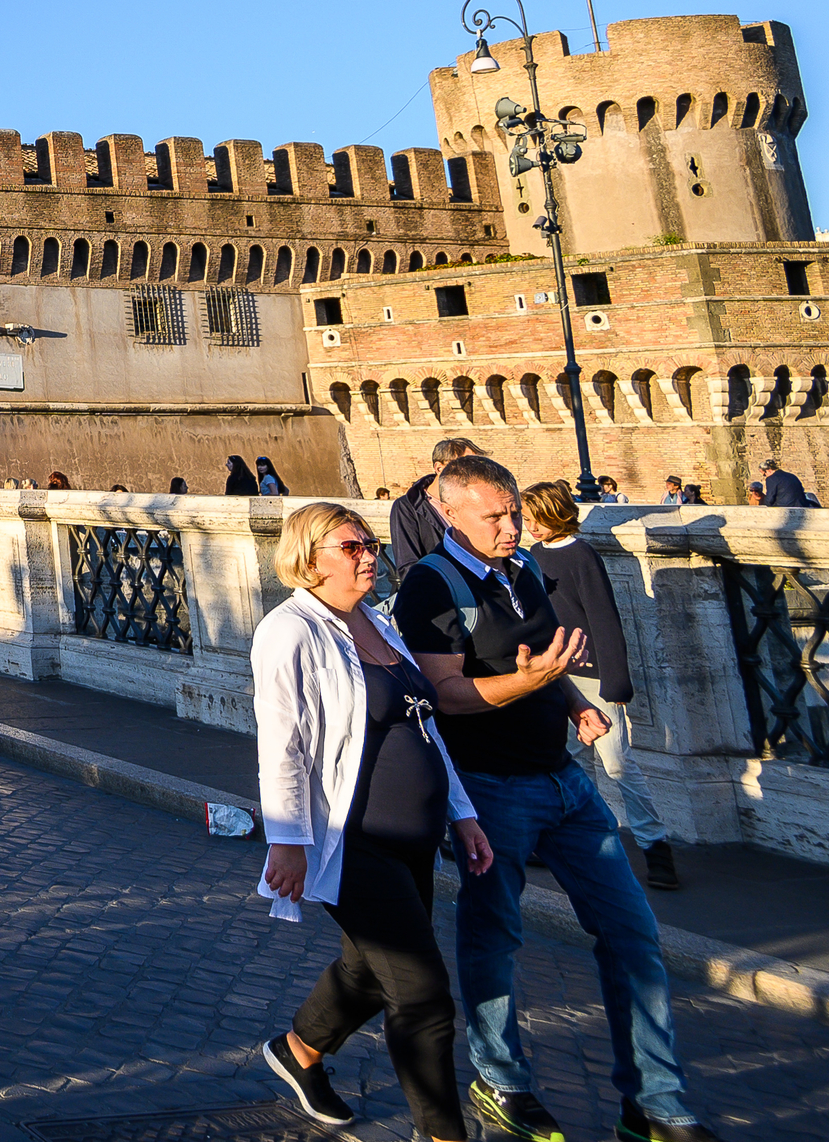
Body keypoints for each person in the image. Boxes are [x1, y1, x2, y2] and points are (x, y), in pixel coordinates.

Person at [400, 452, 716, 1142]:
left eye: (513, 510)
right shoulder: (429, 586)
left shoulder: (521, 571)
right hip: (489, 789)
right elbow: (446, 693)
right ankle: (500, 1078)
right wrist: (531, 682)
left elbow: (545, 655)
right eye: (495, 516)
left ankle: (656, 1104)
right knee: (494, 935)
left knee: (633, 932)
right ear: (448, 514)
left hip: (565, 779)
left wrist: (573, 702)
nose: (512, 526)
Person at [251, 500, 492, 1142]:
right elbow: (283, 741)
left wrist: (463, 814)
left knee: (367, 967)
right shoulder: (291, 630)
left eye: (370, 546)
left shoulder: (377, 621)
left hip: (416, 840)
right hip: (354, 839)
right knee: (421, 993)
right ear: (308, 560)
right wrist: (287, 839)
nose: (369, 558)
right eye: (352, 548)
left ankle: (298, 1051)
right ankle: (441, 1133)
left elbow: (426, 726)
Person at [522, 479, 678, 889]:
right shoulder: (530, 557)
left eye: (536, 518)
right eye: (527, 519)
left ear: (555, 515)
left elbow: (605, 619)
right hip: (555, 676)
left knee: (617, 762)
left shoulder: (581, 556)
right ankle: (583, 843)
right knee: (571, 764)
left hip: (592, 676)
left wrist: (615, 682)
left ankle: (655, 845)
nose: (530, 527)